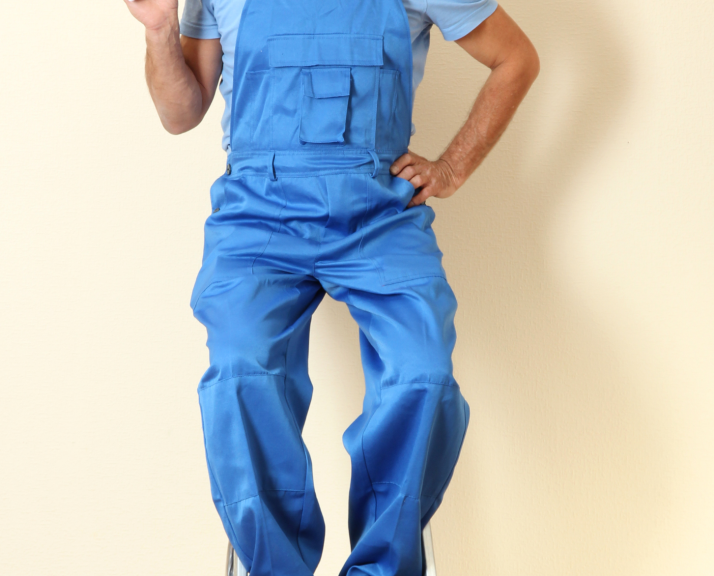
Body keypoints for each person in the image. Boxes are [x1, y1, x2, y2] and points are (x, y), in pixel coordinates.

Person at [124, 1, 539, 575]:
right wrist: (160, 31)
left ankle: (381, 567)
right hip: (258, 213)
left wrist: (451, 167)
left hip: (379, 214)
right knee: (241, 369)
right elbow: (180, 113)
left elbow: (515, 58)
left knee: (422, 370)